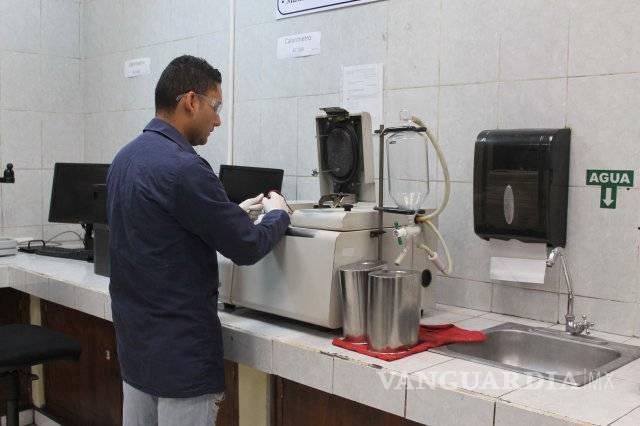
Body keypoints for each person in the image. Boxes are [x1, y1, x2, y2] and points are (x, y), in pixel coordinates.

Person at [106, 55, 290, 426]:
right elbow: (246, 247)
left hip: (137, 351)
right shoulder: (185, 168)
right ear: (191, 101)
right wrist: (278, 215)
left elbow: (162, 230)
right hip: (181, 360)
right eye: (215, 106)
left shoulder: (124, 159)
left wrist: (228, 212)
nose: (217, 120)